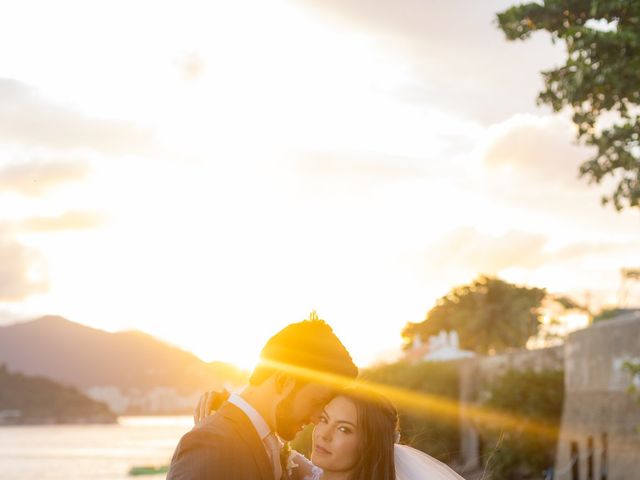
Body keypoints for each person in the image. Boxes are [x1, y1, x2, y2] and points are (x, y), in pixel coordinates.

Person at [167, 316, 359, 480]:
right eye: (316, 402)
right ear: (284, 382)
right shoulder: (208, 445)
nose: (317, 418)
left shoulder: (270, 441)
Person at [195, 388, 465, 480]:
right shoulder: (305, 471)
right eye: (324, 419)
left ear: (369, 444)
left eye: (344, 429)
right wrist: (227, 406)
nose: (323, 434)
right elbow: (264, 438)